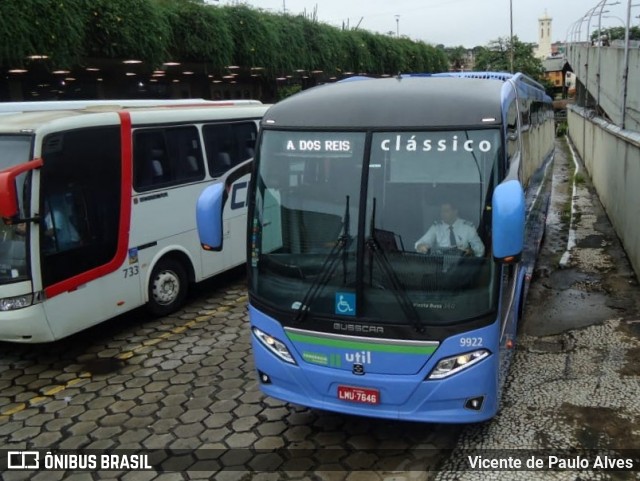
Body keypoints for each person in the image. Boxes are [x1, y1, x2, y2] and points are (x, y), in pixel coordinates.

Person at [414, 202, 485, 257]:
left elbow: (480, 249)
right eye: (442, 211)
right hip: (441, 265)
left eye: (446, 211)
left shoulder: (468, 227)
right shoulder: (437, 227)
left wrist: (471, 251)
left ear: (455, 211)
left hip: (462, 266)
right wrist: (420, 246)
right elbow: (420, 243)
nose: (443, 214)